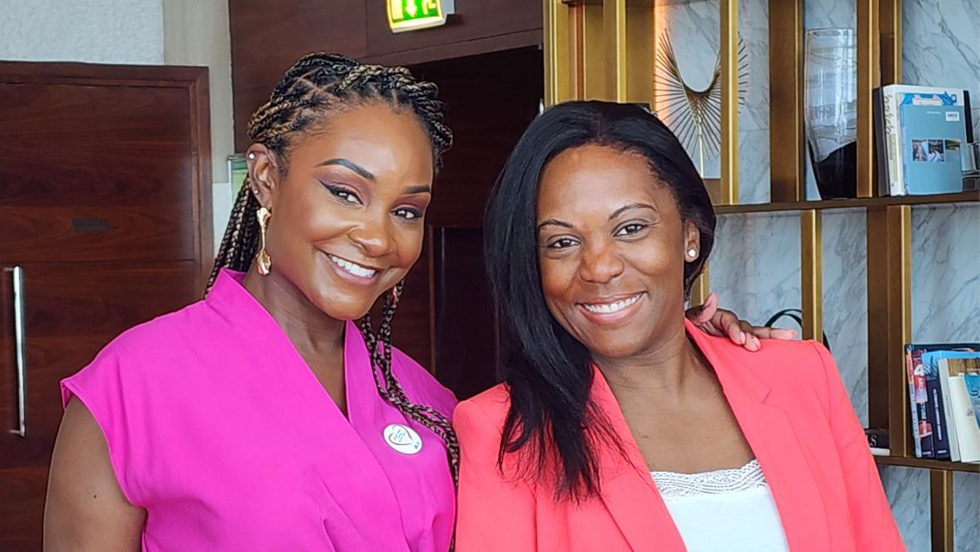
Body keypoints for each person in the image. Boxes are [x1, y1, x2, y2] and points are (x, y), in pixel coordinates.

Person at [42, 56, 776, 552]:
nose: (376, 236)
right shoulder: (134, 387)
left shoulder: (426, 402)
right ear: (265, 178)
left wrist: (683, 338)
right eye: (345, 192)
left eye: (407, 210)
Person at [454, 101, 905, 552]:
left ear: (690, 234)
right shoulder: (503, 431)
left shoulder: (802, 376)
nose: (599, 268)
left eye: (630, 228)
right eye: (562, 242)